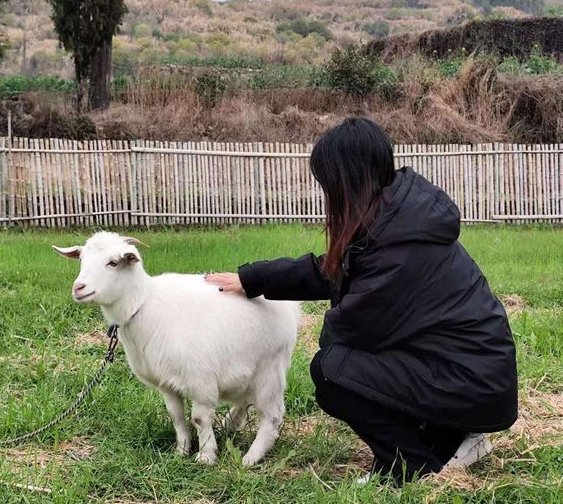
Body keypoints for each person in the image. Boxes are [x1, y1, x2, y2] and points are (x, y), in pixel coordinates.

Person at [206, 117, 518, 485]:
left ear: (349, 181)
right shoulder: (396, 221)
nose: (328, 197)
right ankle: (455, 438)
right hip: (469, 375)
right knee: (346, 365)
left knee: (334, 370)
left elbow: (351, 331)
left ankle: (411, 464)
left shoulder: (399, 248)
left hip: (471, 384)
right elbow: (334, 269)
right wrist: (252, 278)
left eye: (329, 186)